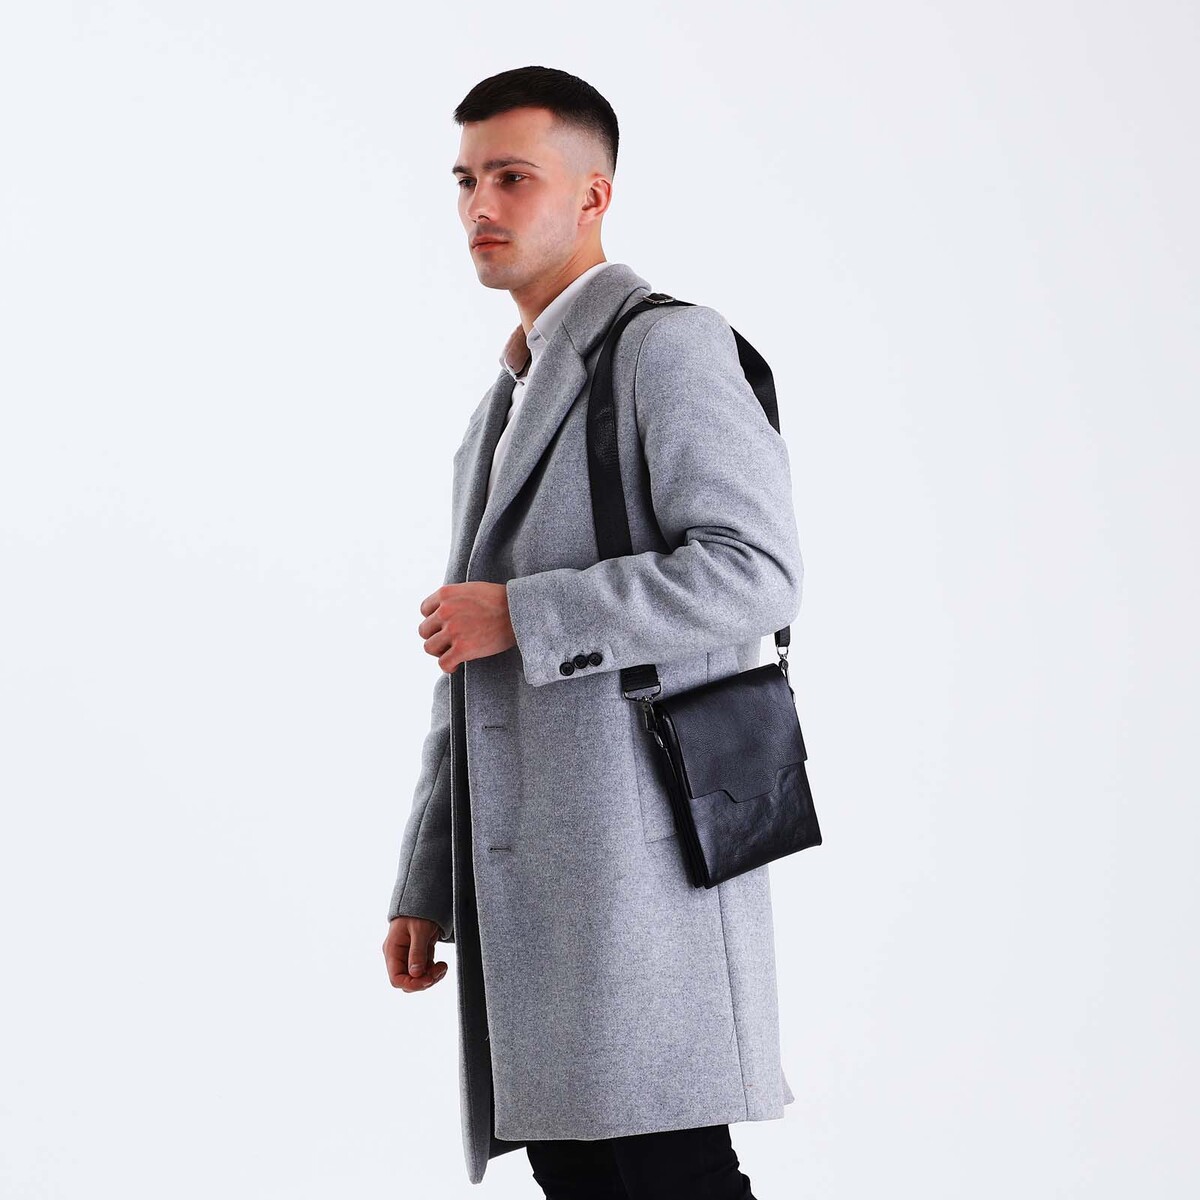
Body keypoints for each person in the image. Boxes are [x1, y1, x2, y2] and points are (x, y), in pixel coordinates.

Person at [382, 65, 804, 1196]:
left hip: (642, 866)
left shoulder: (667, 347)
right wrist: (428, 877)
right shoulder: (501, 407)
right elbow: (465, 667)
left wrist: (525, 614)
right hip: (537, 884)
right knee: (583, 1181)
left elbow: (757, 573)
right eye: (465, 180)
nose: (480, 205)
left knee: (665, 1173)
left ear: (592, 195)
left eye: (512, 177)